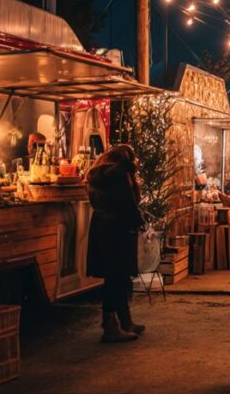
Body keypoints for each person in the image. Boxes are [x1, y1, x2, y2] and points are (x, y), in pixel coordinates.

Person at [86, 145, 145, 343]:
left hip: (103, 227)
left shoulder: (96, 174)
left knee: (114, 277)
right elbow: (128, 203)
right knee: (117, 278)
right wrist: (139, 222)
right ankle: (112, 326)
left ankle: (123, 321)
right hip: (119, 228)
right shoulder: (120, 174)